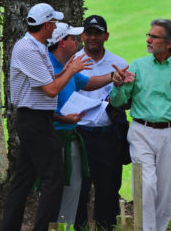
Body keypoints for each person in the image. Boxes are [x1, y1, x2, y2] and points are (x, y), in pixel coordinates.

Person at [0, 3, 92, 231]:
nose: (55, 28)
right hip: (34, 121)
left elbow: (49, 79)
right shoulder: (28, 49)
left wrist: (67, 69)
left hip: (37, 120)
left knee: (23, 180)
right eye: (54, 23)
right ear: (48, 25)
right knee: (54, 178)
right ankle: (43, 228)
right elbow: (50, 89)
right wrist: (71, 71)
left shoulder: (37, 46)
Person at [110, 19, 171, 231]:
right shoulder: (137, 66)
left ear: (169, 43)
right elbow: (117, 101)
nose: (148, 40)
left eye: (154, 36)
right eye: (148, 35)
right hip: (140, 131)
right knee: (145, 186)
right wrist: (117, 85)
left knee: (166, 190)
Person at [44, 22, 132, 227]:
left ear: (106, 36)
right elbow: (43, 98)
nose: (84, 39)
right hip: (68, 135)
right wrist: (64, 118)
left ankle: (100, 225)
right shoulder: (57, 63)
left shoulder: (73, 65)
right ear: (61, 42)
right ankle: (70, 226)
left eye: (97, 33)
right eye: (78, 37)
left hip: (99, 134)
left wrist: (113, 77)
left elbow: (86, 82)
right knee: (69, 188)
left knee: (101, 187)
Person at [74, 15, 130, 231]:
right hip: (80, 134)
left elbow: (126, 102)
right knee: (79, 189)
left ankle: (106, 228)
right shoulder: (74, 62)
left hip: (108, 135)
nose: (93, 38)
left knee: (108, 189)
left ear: (106, 36)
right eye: (89, 33)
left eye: (98, 33)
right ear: (82, 36)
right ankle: (78, 228)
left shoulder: (120, 64)